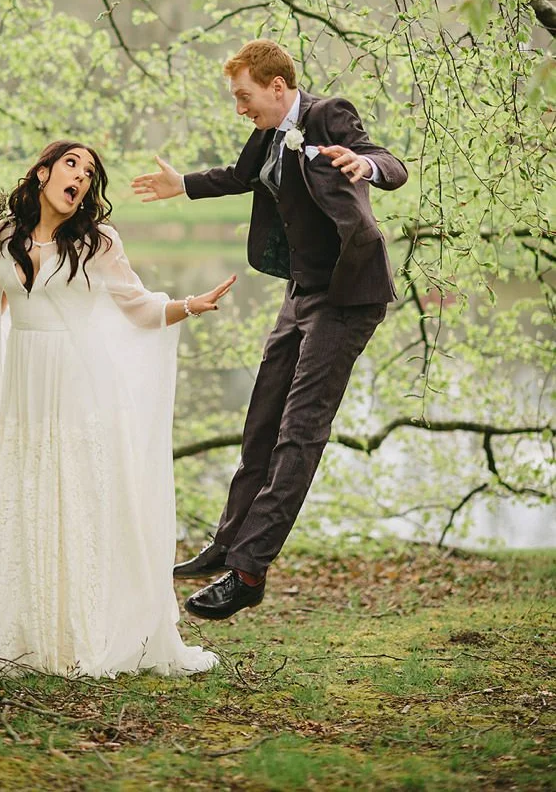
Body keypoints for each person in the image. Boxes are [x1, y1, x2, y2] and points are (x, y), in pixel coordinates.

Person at [0, 140, 234, 677]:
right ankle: (27, 633)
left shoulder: (98, 242)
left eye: (90, 172)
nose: (81, 177)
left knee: (75, 496)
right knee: (26, 495)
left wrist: (189, 305)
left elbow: (139, 306)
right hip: (26, 381)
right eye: (72, 164)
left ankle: (80, 634)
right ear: (44, 172)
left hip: (75, 382)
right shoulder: (5, 236)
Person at [132, 39, 407, 620]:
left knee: (298, 433)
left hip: (346, 296)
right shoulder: (268, 134)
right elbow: (239, 175)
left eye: (245, 96)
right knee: (261, 424)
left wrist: (368, 167)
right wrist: (181, 184)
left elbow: (389, 161)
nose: (240, 108)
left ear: (277, 87)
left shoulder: (327, 114)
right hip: (300, 294)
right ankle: (228, 542)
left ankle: (249, 570)